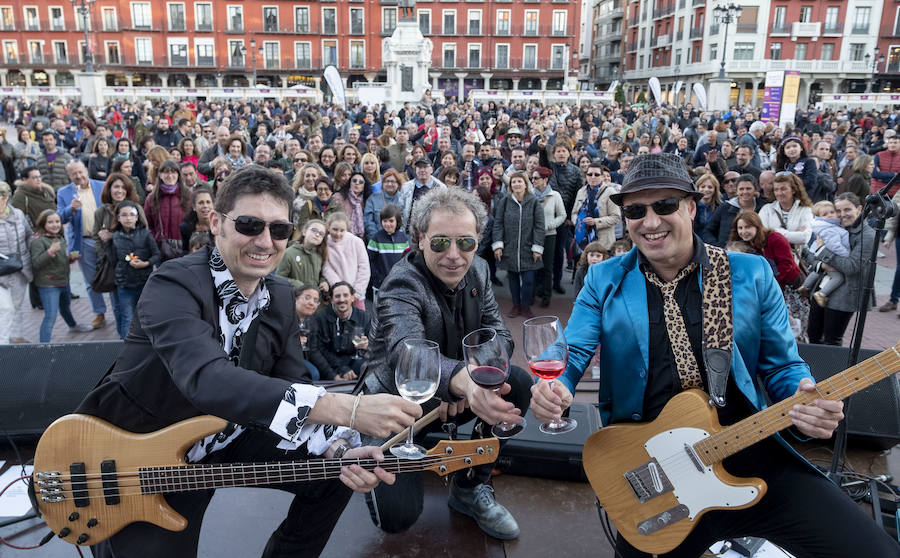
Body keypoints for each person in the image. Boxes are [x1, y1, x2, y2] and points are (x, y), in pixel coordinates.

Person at [529, 153, 900, 558]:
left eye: (665, 205)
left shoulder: (750, 273)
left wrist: (803, 394)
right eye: (636, 210)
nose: (650, 222)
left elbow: (782, 365)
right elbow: (573, 348)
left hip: (754, 456)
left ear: (690, 207)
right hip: (655, 471)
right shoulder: (605, 278)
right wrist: (554, 387)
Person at [76, 165, 421, 558]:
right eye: (249, 225)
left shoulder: (278, 296)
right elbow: (207, 380)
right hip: (140, 456)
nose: (265, 241)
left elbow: (293, 383)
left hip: (226, 438)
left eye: (279, 230)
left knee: (332, 476)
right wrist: (348, 408)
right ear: (215, 223)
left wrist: (338, 451)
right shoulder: (172, 284)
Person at [362, 187, 530, 541]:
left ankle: (470, 487)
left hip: (456, 392)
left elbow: (501, 336)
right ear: (420, 239)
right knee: (398, 518)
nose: (454, 255)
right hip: (396, 403)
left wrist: (470, 385)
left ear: (478, 241)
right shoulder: (401, 284)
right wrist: (461, 381)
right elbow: (407, 352)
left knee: (517, 384)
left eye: (465, 243)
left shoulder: (480, 271)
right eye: (440, 243)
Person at [807, 192, 877, 346]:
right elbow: (811, 254)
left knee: (831, 340)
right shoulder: (829, 226)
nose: (842, 215)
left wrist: (823, 251)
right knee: (812, 335)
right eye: (838, 211)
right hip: (822, 287)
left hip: (845, 294)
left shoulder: (868, 235)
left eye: (847, 210)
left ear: (859, 209)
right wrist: (821, 264)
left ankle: (831, 370)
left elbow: (851, 266)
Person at [730, 210, 808, 342]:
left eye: (747, 227)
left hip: (790, 287)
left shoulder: (775, 238)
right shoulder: (746, 244)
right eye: (740, 228)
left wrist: (771, 287)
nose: (743, 231)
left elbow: (786, 266)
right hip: (769, 289)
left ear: (757, 226)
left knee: (794, 327)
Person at [57, 160, 108, 329]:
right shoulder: (64, 192)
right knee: (91, 280)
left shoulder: (102, 185)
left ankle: (119, 309)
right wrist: (69, 209)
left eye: (80, 172)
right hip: (83, 241)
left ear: (86, 170)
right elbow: (60, 219)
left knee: (114, 275)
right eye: (74, 174)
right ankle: (99, 313)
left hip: (105, 239)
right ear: (69, 176)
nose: (78, 176)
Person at [29, 208, 94, 342]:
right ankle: (44, 345)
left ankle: (73, 326)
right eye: (50, 222)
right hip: (48, 285)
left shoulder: (59, 238)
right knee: (51, 316)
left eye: (57, 221)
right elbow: (36, 263)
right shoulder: (38, 241)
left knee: (65, 307)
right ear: (43, 224)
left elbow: (59, 259)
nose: (55, 225)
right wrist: (50, 252)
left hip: (63, 281)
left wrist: (70, 258)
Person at [493, 172, 545, 318]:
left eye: (519, 181)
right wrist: (498, 245)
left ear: (525, 184)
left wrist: (537, 247)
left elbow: (539, 226)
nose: (516, 184)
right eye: (514, 182)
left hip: (529, 248)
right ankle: (516, 305)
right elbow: (498, 224)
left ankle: (526, 306)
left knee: (528, 281)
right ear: (510, 186)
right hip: (510, 247)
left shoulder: (534, 201)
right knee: (513, 279)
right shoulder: (504, 201)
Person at [110, 200, 160, 339]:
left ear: (137, 217)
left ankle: (146, 343)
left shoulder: (145, 234)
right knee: (127, 316)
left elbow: (156, 255)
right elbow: (113, 260)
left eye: (131, 214)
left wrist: (145, 263)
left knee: (145, 315)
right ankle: (124, 345)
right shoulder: (115, 237)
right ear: (118, 218)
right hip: (124, 283)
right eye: (124, 215)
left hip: (143, 281)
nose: (128, 218)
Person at [308, 281, 368, 381]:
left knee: (364, 365)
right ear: (331, 299)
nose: (342, 299)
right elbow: (318, 351)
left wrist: (368, 345)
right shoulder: (320, 319)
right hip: (330, 366)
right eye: (337, 296)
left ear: (352, 297)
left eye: (345, 295)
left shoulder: (364, 317)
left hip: (354, 364)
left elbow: (377, 347)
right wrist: (338, 372)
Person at [0, 181, 33, 343]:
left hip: (20, 269)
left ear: (6, 197)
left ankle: (16, 337)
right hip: (1, 272)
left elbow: (29, 235)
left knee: (17, 305)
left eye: (2, 196)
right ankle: (3, 343)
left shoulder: (18, 214)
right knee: (5, 308)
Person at [800, 201, 850, 308]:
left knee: (818, 271)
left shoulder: (828, 226)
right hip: (828, 256)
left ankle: (805, 287)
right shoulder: (829, 228)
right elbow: (834, 246)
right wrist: (847, 255)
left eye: (832, 212)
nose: (830, 215)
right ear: (819, 217)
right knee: (838, 277)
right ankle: (821, 294)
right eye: (825, 214)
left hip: (820, 255)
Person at [531, 166, 566, 307]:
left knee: (547, 267)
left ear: (545, 179)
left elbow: (562, 215)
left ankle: (546, 295)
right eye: (532, 178)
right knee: (532, 266)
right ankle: (531, 294)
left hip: (549, 235)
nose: (532, 180)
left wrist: (550, 225)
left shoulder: (555, 195)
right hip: (532, 236)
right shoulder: (529, 194)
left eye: (536, 178)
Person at [322, 211, 370, 310]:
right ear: (328, 227)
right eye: (334, 229)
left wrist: (357, 291)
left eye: (342, 230)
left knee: (359, 322)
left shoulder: (356, 242)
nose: (338, 233)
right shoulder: (324, 243)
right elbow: (326, 268)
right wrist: (341, 290)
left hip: (356, 295)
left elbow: (364, 268)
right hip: (337, 295)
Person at [145, 159, 191, 261]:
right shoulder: (152, 198)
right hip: (161, 247)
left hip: (184, 246)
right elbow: (148, 224)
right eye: (166, 172)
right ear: (160, 175)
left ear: (178, 175)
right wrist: (155, 238)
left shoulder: (188, 195)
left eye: (173, 172)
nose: (170, 176)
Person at [759, 172, 814, 257]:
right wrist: (793, 234)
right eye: (776, 189)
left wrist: (774, 232)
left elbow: (804, 237)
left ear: (794, 190)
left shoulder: (805, 210)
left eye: (783, 189)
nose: (779, 193)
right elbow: (762, 236)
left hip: (795, 261)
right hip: (772, 259)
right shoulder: (766, 209)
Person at [571, 163, 621, 254]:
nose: (593, 177)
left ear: (602, 177)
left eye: (596, 174)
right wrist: (579, 222)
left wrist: (595, 222)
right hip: (583, 241)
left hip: (603, 244)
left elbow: (616, 217)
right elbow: (574, 213)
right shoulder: (581, 191)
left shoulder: (610, 192)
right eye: (589, 174)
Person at [703, 173, 765, 247]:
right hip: (728, 252)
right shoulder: (725, 207)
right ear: (737, 191)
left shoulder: (763, 207)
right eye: (741, 189)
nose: (745, 192)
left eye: (748, 188)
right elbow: (708, 231)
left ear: (755, 189)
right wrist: (718, 247)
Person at [367, 204, 409, 297]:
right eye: (384, 221)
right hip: (381, 286)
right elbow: (370, 261)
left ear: (397, 221)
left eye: (391, 221)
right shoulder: (376, 239)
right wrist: (378, 278)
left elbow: (407, 261)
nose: (388, 224)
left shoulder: (404, 239)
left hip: (400, 285)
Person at [276, 219, 329, 294]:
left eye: (321, 234)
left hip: (314, 300)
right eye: (314, 230)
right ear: (304, 232)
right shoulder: (289, 253)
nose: (317, 235)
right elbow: (279, 278)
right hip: (295, 298)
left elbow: (321, 275)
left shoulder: (319, 256)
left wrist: (324, 282)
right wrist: (297, 285)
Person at [774, 136, 822, 202]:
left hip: (803, 198)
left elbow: (811, 181)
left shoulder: (809, 161)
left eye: (794, 146)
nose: (791, 149)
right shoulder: (783, 165)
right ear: (784, 152)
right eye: (788, 147)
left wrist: (792, 187)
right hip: (786, 199)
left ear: (801, 148)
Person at [364, 168, 403, 239]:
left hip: (399, 241)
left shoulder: (403, 198)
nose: (389, 184)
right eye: (387, 181)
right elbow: (368, 222)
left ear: (398, 184)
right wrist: (376, 238)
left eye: (393, 182)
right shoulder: (373, 198)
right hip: (377, 239)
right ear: (382, 184)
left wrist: (399, 238)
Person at [293, 284, 321, 381]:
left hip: (302, 359)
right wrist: (294, 344)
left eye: (315, 300)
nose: (311, 303)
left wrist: (333, 375)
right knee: (313, 373)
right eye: (307, 298)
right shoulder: (286, 318)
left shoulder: (312, 321)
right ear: (296, 299)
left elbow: (313, 351)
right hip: (284, 359)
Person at [179, 187, 214, 252]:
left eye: (208, 202)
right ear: (194, 207)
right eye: (201, 203)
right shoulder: (186, 228)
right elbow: (185, 252)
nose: (205, 206)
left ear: (213, 205)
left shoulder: (220, 226)